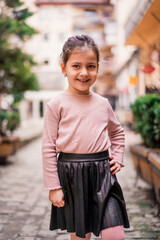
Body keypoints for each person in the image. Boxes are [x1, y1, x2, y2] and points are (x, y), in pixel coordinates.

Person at [42, 35, 130, 240]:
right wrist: (54, 187)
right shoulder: (56, 104)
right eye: (76, 66)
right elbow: (48, 147)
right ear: (64, 68)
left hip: (104, 175)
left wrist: (117, 156)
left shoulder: (103, 103)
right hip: (72, 176)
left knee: (114, 234)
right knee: (82, 236)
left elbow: (117, 133)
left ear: (98, 67)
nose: (84, 72)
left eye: (91, 66)